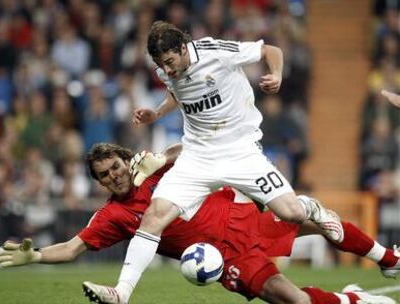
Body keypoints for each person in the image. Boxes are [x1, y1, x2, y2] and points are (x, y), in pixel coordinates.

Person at [0, 143, 398, 304]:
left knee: (321, 219)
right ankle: (355, 300)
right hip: (226, 257)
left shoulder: (151, 170)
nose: (113, 176)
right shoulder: (112, 216)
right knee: (296, 302)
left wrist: (161, 155)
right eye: (103, 175)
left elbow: (196, 148)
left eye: (116, 166)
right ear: (99, 182)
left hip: (243, 216)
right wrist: (34, 257)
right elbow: (72, 248)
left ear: (125, 160)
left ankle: (389, 257)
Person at [115, 21, 343, 303]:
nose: (168, 69)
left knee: (292, 213)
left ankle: (309, 206)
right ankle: (121, 293)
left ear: (183, 48)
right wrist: (157, 114)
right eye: (163, 64)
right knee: (154, 216)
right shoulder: (166, 68)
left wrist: (277, 75)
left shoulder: (214, 51)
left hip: (240, 152)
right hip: (197, 156)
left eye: (172, 61)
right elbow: (177, 90)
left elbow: (270, 51)